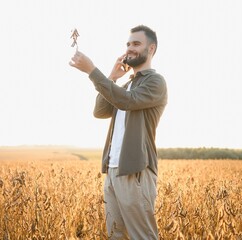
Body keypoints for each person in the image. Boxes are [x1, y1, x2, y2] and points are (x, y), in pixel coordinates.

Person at [69, 25, 167, 239]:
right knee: (116, 236)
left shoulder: (154, 82)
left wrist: (92, 71)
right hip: (113, 171)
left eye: (136, 44)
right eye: (128, 44)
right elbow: (100, 111)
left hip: (136, 171)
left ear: (151, 49)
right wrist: (111, 77)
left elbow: (126, 102)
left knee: (143, 236)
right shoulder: (127, 85)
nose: (130, 48)